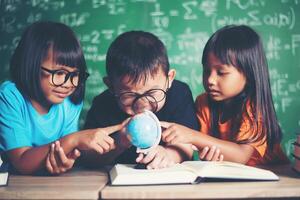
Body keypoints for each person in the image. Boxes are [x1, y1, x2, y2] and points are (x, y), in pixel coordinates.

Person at [0, 21, 124, 175]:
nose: (68, 84)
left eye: (74, 75)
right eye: (59, 73)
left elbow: (65, 155)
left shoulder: (69, 102)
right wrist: (74, 140)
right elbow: (22, 162)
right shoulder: (10, 97)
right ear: (30, 65)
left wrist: (66, 160)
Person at [161, 25, 289, 165]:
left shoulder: (253, 107)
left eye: (221, 73)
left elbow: (241, 156)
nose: (210, 80)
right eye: (206, 71)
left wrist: (190, 135)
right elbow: (207, 149)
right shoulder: (203, 103)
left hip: (275, 179)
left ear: (249, 74)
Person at [82, 30, 200, 169]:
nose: (143, 104)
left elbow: (186, 145)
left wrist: (168, 155)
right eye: (130, 95)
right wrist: (119, 143)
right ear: (111, 86)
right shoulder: (102, 104)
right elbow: (88, 157)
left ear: (169, 79)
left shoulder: (179, 94)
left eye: (152, 92)